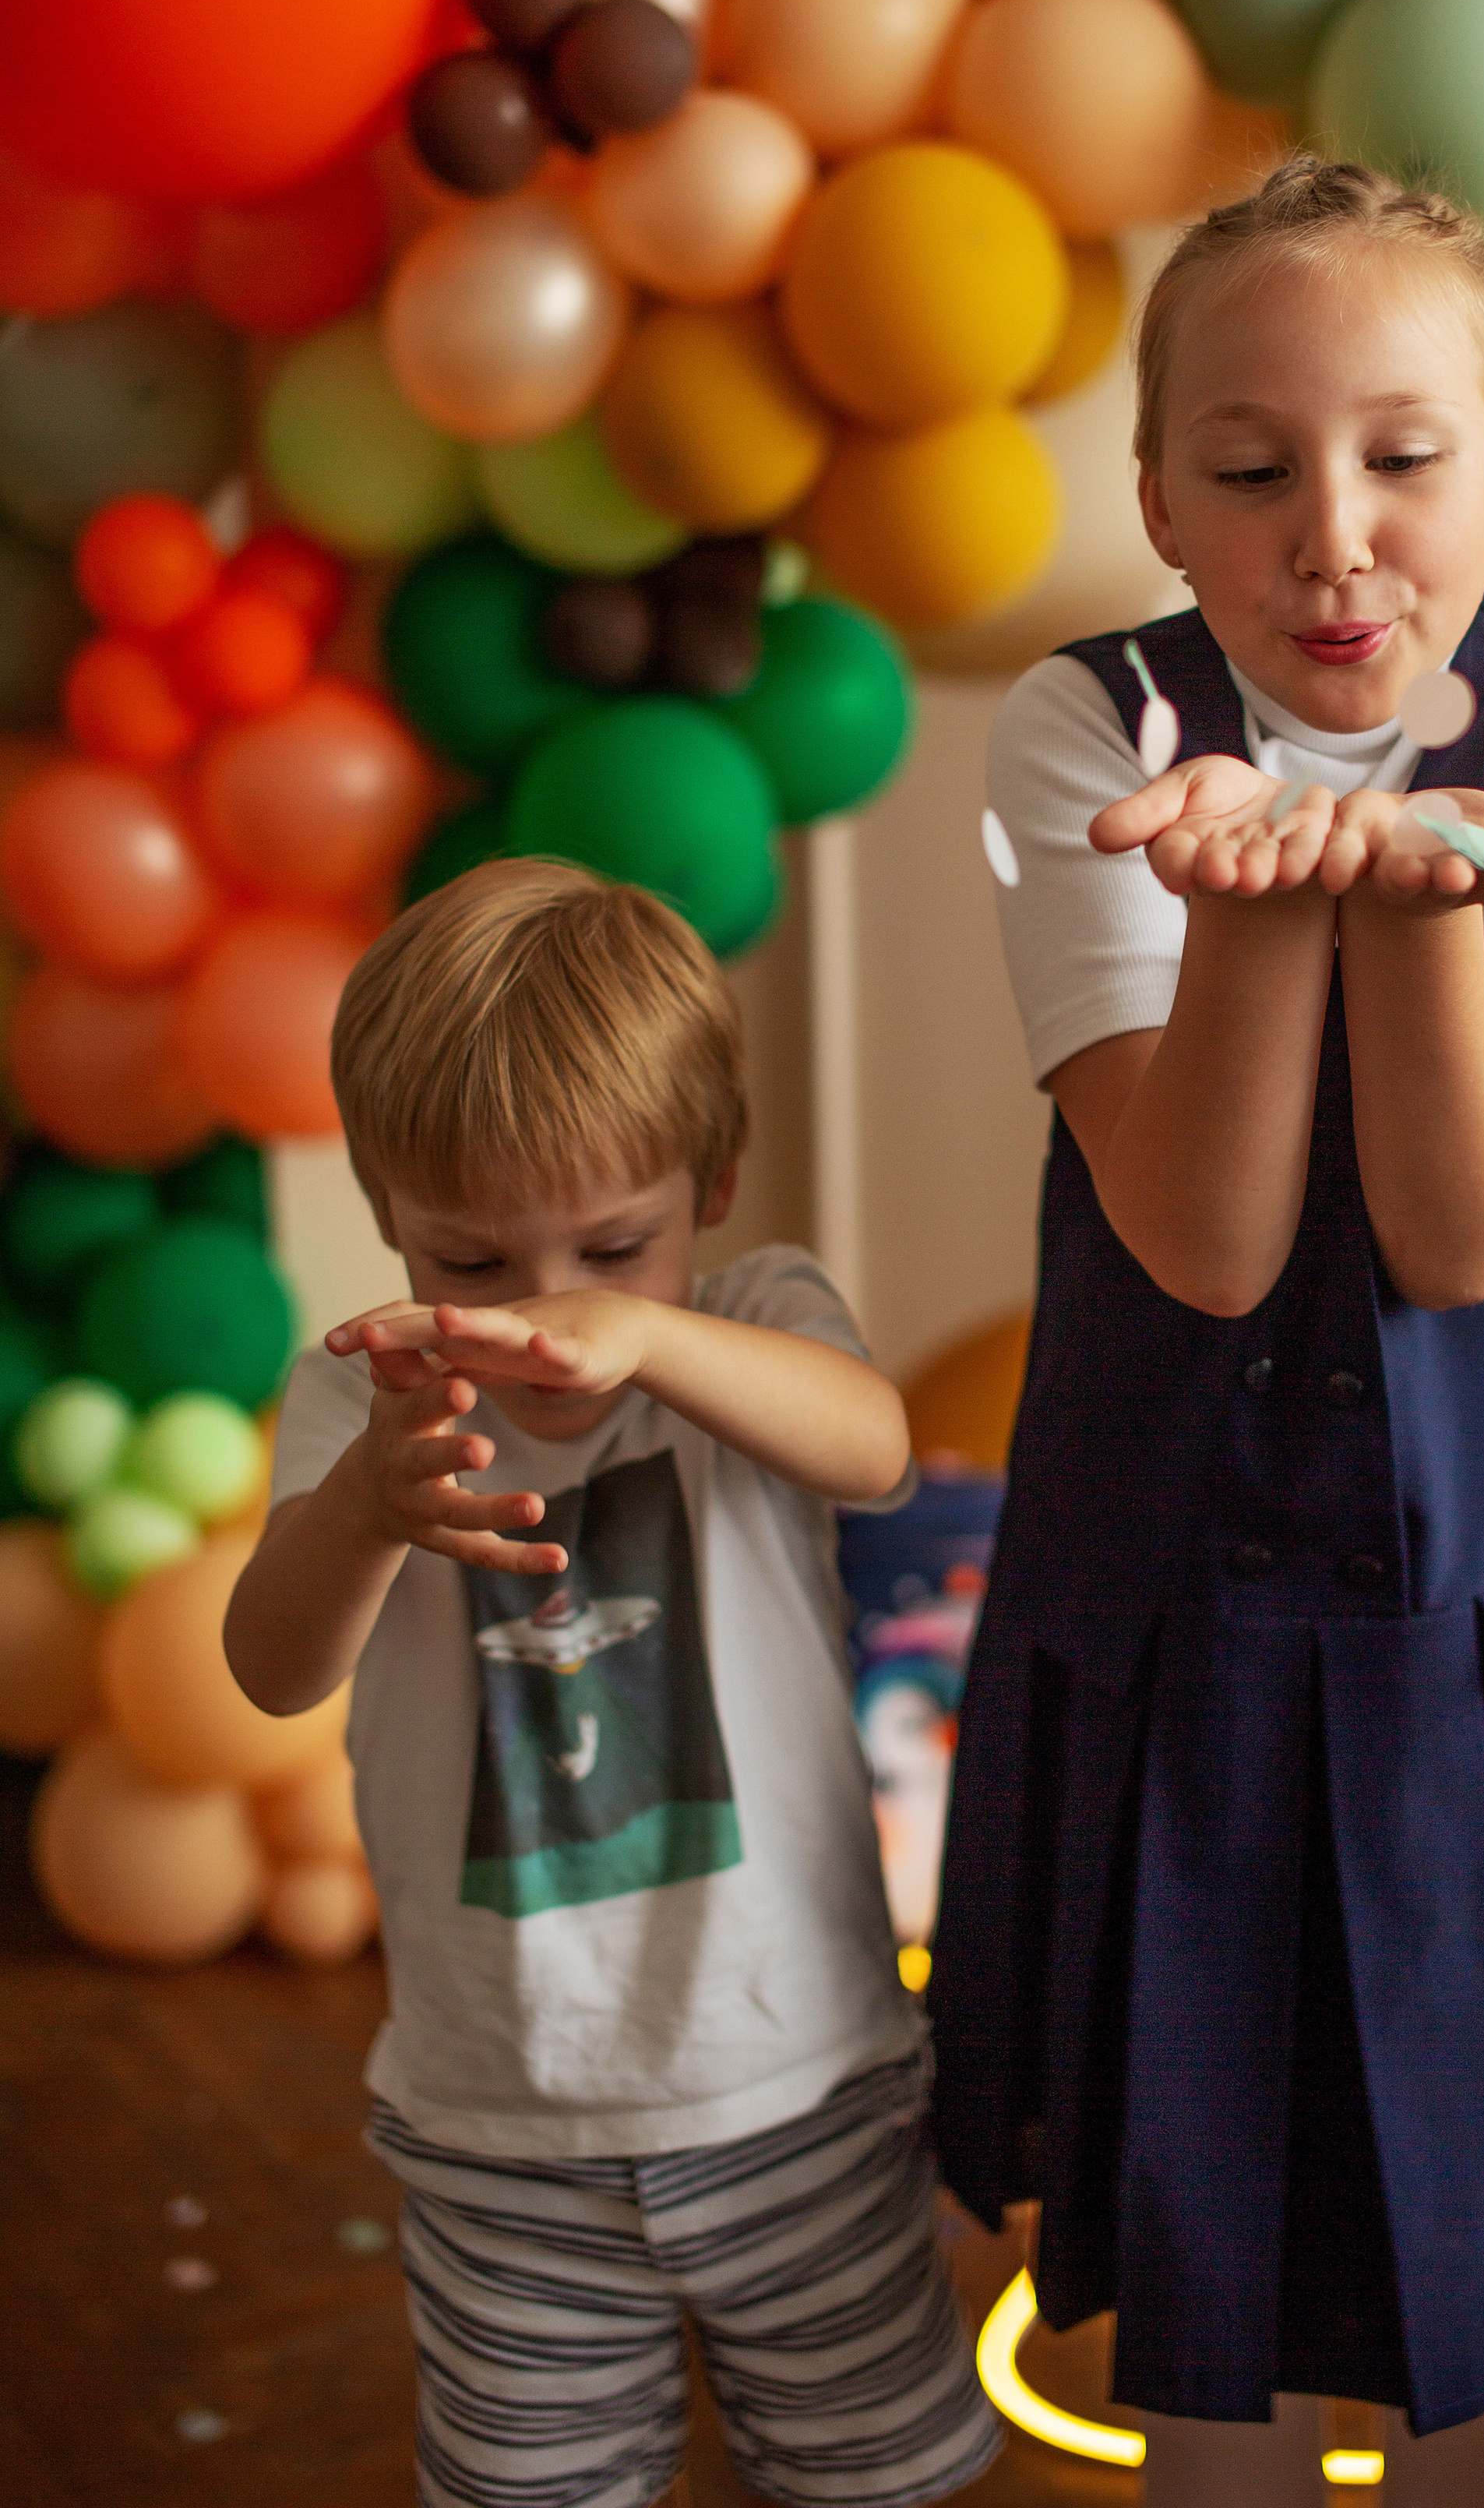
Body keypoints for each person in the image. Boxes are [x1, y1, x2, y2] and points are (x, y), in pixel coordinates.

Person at [929, 159, 1484, 2508]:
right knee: (1196, 2298)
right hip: (1173, 1619)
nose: (1333, 535)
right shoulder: (1083, 733)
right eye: (1248, 466)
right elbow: (1201, 1243)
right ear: (1155, 501)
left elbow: (1465, 1232)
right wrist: (1257, 910)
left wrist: (1404, 902)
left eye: (1403, 456)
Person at [226, 859, 1000, 2508]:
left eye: (612, 1247)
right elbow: (273, 1671)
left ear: (712, 1181)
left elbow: (871, 1452)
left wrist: (652, 1339)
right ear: (387, 1214)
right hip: (500, 2133)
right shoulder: (365, 1400)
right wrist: (365, 1509)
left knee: (873, 2479)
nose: (545, 1316)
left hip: (804, 2088)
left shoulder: (757, 1319)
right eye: (473, 1262)